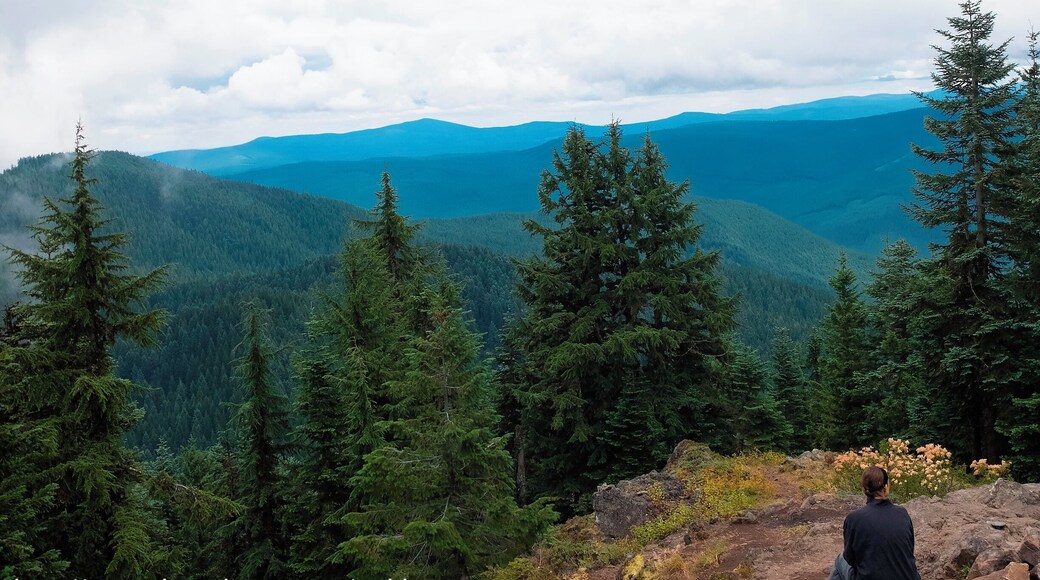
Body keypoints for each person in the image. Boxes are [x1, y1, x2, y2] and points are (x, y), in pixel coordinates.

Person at [829, 466, 920, 580]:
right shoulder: (903, 513)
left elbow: (850, 558)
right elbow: (909, 550)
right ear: (886, 487)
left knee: (839, 561)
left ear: (864, 489)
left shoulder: (854, 518)